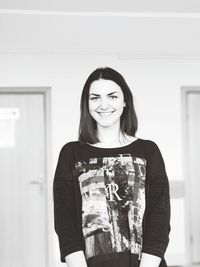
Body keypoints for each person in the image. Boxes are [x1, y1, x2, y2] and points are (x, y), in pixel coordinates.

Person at [53, 67, 171, 267]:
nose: (103, 104)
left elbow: (159, 219)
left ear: (125, 101)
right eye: (95, 97)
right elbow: (64, 222)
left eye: (112, 96)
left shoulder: (148, 151)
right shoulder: (70, 153)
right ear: (86, 104)